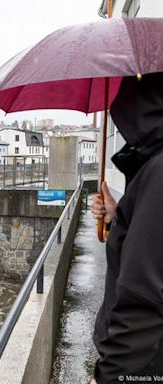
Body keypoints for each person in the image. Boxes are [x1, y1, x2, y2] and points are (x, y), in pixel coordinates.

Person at [90, 73, 163, 384]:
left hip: (145, 362)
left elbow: (144, 296)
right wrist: (117, 215)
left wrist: (109, 376)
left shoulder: (160, 170)